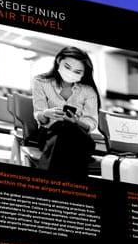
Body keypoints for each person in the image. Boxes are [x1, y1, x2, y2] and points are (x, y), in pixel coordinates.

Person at [29, 46, 99, 174]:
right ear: (58, 61)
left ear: (84, 74)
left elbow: (91, 123)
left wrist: (76, 122)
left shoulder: (88, 91)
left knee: (66, 130)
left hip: (80, 138)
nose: (71, 73)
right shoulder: (40, 82)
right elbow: (39, 114)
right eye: (67, 67)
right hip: (49, 135)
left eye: (77, 72)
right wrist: (46, 113)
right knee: (62, 133)